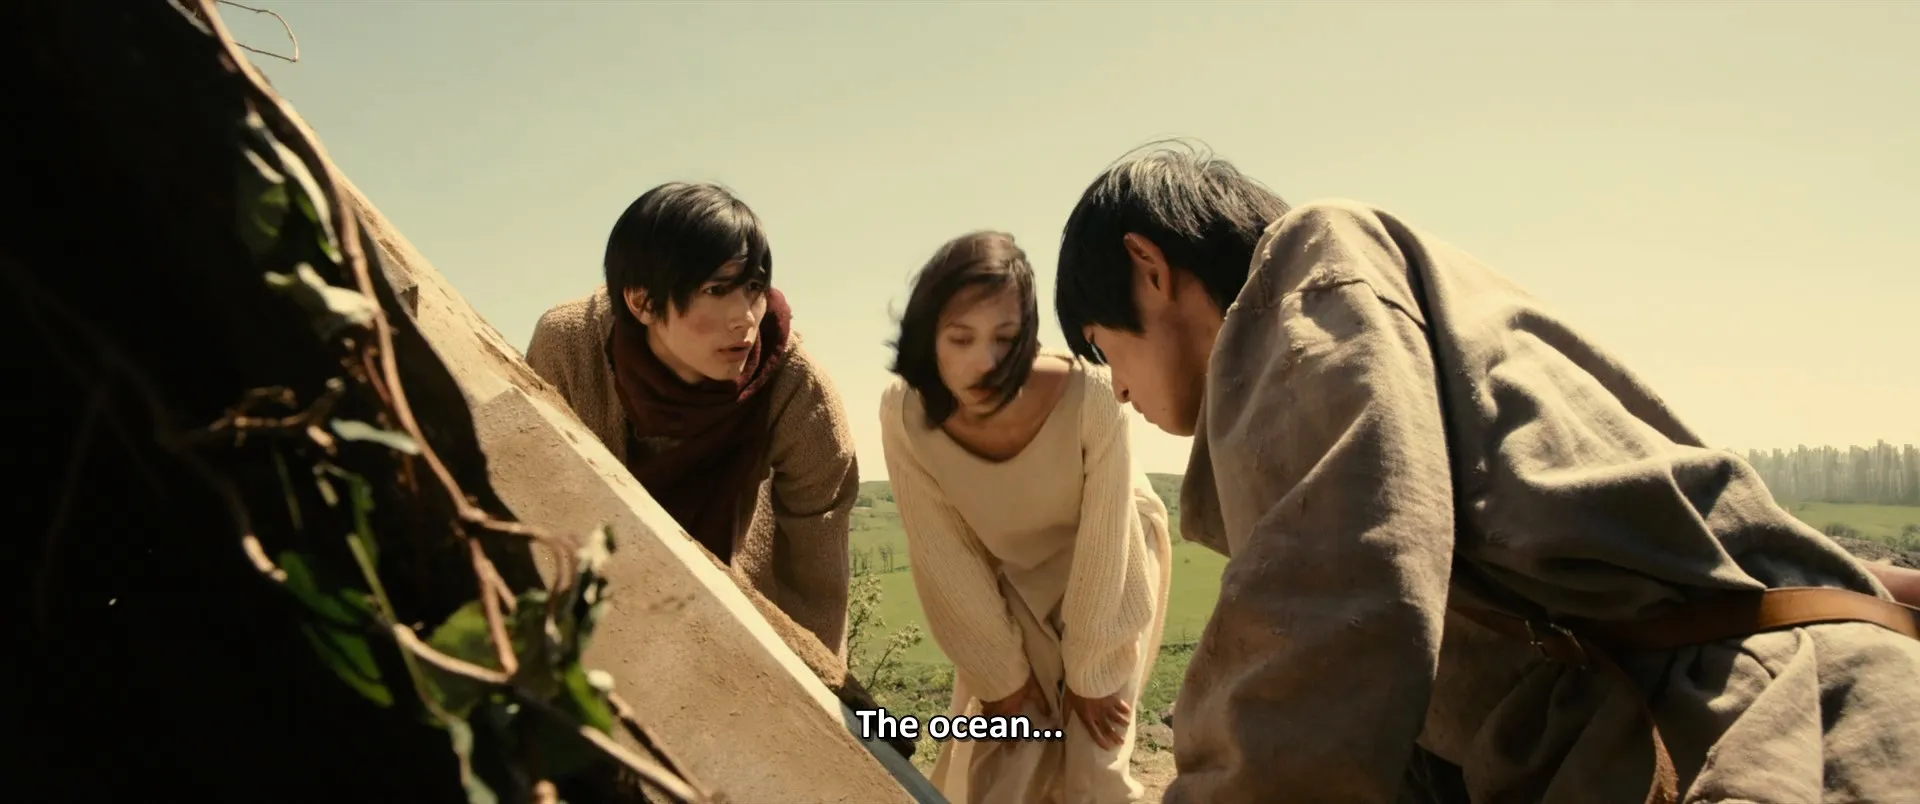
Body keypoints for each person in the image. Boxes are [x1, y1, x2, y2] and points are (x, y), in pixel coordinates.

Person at [1050, 141, 1920, 804]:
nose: (1115, 389)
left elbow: (1335, 626)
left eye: (1100, 347)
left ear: (1150, 269)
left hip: (1767, 732)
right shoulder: (1322, 343)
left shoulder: (1315, 271)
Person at [880, 231, 1174, 804]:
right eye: (960, 338)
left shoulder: (1091, 395)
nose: (985, 363)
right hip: (1009, 577)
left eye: (1006, 339)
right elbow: (943, 551)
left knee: (1094, 759)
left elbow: (1107, 534)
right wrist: (1002, 676)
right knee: (1011, 757)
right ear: (927, 335)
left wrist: (1090, 672)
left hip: (1112, 563)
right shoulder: (904, 413)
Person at [526, 182, 857, 658]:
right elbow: (538, 499)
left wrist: (811, 690)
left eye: (754, 288)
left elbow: (818, 583)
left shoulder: (799, 391)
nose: (745, 318)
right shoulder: (569, 346)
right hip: (589, 612)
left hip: (735, 626)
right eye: (716, 290)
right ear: (642, 302)